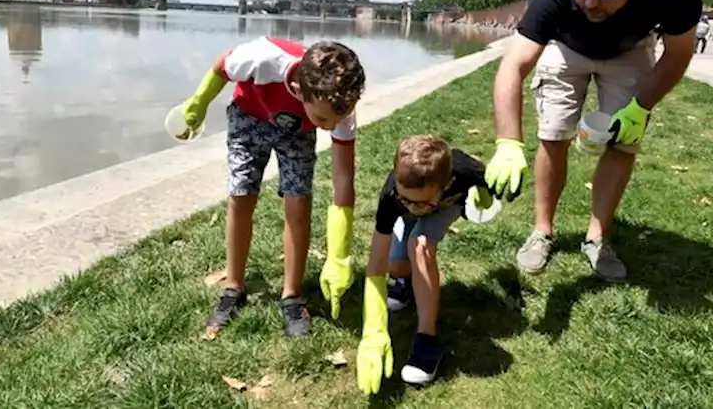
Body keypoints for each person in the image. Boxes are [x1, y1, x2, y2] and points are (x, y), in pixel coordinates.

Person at [484, 0, 702, 282]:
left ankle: (597, 238)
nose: (588, 0)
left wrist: (640, 107)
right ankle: (542, 230)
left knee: (623, 143)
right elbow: (513, 65)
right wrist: (507, 142)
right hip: (567, 47)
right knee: (553, 135)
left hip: (630, 49)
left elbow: (679, 54)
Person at [176, 37, 366, 338]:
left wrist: (339, 255)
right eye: (322, 120)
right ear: (298, 90)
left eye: (336, 121)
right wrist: (199, 103)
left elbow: (343, 179)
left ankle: (291, 295)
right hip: (249, 118)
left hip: (296, 135)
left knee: (298, 202)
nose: (330, 127)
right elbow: (222, 65)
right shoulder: (264, 58)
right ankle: (233, 288)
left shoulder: (338, 107)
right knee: (241, 195)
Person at [355, 135, 493, 394]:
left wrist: (482, 200)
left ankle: (427, 339)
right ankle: (407, 282)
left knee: (419, 244)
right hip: (412, 214)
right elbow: (375, 264)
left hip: (445, 208)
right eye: (405, 197)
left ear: (447, 183)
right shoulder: (393, 196)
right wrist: (373, 330)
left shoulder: (464, 170)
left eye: (419, 201)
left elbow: (488, 183)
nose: (410, 204)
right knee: (395, 266)